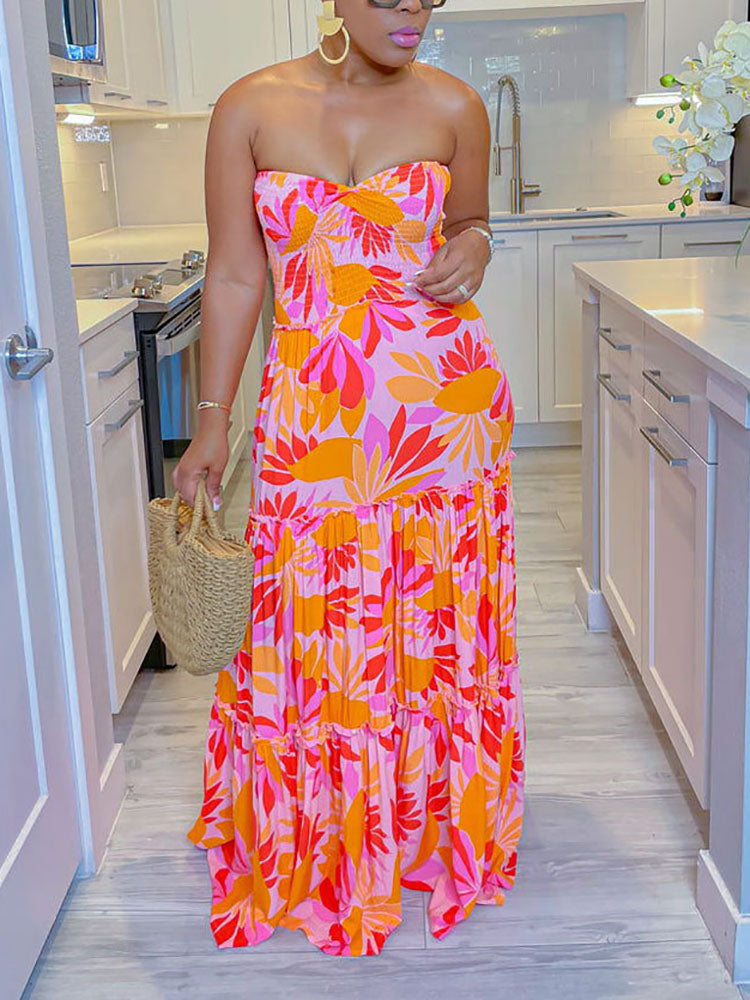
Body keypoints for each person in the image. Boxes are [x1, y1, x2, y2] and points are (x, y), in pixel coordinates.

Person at [175, 0, 526, 957]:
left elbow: (472, 222)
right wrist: (213, 421)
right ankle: (327, 833)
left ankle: (425, 826)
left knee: (435, 630)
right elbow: (236, 276)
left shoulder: (455, 105)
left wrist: (476, 244)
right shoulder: (249, 107)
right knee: (309, 624)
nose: (415, 9)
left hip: (443, 416)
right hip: (314, 422)